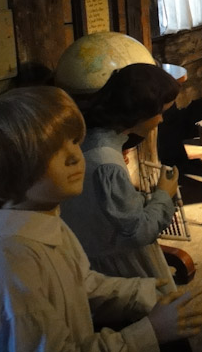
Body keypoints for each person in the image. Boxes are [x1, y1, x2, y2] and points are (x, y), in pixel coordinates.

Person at [0, 85, 202, 351]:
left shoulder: (44, 220)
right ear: (5, 172)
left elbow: (81, 284)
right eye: (51, 151)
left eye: (73, 142)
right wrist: (149, 331)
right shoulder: (10, 267)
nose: (75, 157)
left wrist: (143, 293)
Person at [60, 63, 182, 290]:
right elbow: (137, 232)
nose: (161, 121)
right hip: (117, 269)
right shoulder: (108, 165)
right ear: (140, 112)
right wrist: (164, 195)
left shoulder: (93, 138)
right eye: (160, 113)